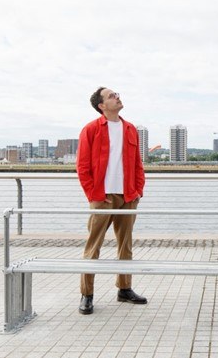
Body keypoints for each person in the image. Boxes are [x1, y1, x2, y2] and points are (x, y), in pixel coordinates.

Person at [76, 87, 147, 315]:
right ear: (101, 106)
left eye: (116, 94)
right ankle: (87, 295)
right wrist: (94, 195)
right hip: (102, 197)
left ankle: (124, 289)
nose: (117, 96)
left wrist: (137, 191)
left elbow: (137, 164)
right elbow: (82, 167)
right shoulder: (90, 130)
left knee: (125, 245)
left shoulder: (130, 129)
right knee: (93, 247)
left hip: (127, 196)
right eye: (111, 96)